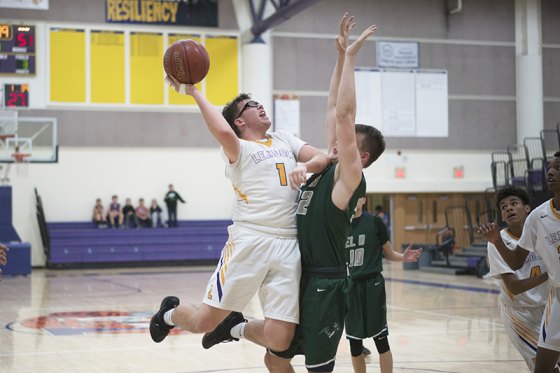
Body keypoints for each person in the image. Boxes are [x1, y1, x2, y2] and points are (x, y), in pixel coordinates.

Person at [149, 63, 329, 354]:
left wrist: (306, 166)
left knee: (280, 339)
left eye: (258, 102)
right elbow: (222, 131)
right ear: (240, 122)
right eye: (250, 105)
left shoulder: (284, 139)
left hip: (288, 244)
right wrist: (194, 91)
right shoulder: (238, 149)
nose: (259, 106)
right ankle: (168, 314)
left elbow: (321, 158)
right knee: (201, 322)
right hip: (251, 240)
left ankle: (235, 327)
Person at [262, 15, 386, 372]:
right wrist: (338, 56)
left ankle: (235, 328)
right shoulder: (325, 167)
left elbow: (345, 114)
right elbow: (333, 106)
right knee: (274, 356)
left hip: (326, 284)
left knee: (318, 369)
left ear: (359, 157)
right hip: (297, 274)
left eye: (345, 142)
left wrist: (351, 59)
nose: (334, 137)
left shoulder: (348, 178)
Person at [478, 151, 560, 373]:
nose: (508, 209)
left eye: (513, 203)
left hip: (547, 305)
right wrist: (551, 275)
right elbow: (513, 285)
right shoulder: (502, 239)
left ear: (526, 208)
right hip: (521, 313)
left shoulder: (541, 224)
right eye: (503, 207)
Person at [345, 196, 421, 373]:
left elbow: (388, 252)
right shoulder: (339, 224)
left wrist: (403, 257)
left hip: (373, 286)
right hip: (350, 287)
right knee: (355, 345)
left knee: (381, 340)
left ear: (363, 199)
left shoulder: (374, 222)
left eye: (357, 195)